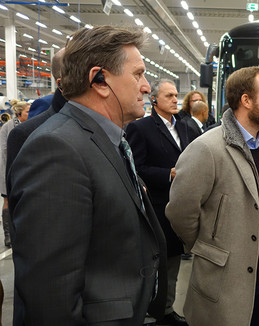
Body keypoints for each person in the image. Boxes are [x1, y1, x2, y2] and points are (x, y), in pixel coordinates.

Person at [8, 25, 167, 325]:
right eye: (138, 74)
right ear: (100, 80)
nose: (147, 87)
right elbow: (51, 293)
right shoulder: (57, 149)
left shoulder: (108, 139)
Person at [166, 66, 259, 326]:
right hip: (224, 281)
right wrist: (209, 247)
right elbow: (181, 212)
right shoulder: (207, 148)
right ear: (246, 101)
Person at [126, 79, 193, 326]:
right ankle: (151, 311)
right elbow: (136, 168)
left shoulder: (186, 127)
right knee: (156, 265)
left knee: (174, 264)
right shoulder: (141, 128)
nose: (176, 99)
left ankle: (165, 309)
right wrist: (168, 174)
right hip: (157, 207)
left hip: (182, 205)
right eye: (169, 96)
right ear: (154, 99)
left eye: (176, 95)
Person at [0, 101, 30, 248]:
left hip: (23, 168)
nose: (29, 114)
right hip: (7, 168)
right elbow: (5, 151)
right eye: (26, 112)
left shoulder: (29, 126)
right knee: (7, 201)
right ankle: (7, 235)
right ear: (19, 113)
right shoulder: (7, 127)